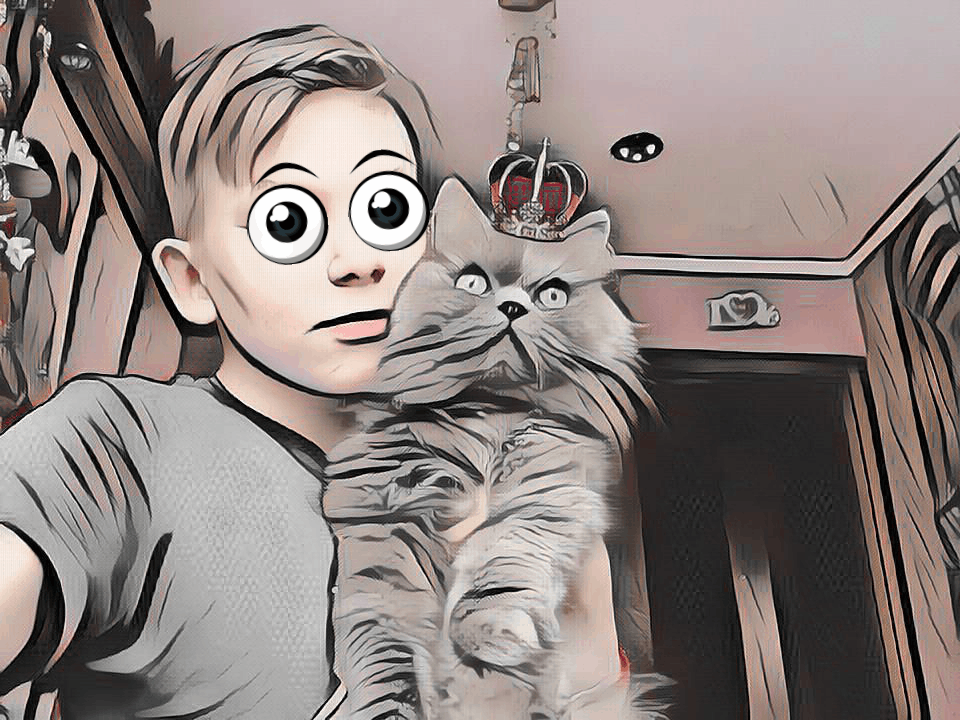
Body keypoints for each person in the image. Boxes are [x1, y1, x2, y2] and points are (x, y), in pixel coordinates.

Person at [0, 23, 626, 720]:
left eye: (385, 209)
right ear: (191, 280)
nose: (359, 261)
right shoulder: (117, 443)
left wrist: (583, 619)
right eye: (289, 222)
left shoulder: (510, 466)